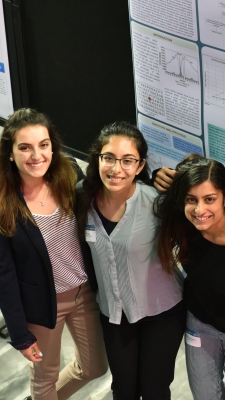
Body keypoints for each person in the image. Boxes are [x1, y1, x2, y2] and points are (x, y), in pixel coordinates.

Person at [0, 108, 108, 400]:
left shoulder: (69, 173)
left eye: (43, 145)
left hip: (84, 293)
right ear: (10, 153)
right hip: (43, 303)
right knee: (44, 378)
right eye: (25, 147)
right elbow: (4, 275)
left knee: (95, 367)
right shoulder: (4, 202)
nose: (37, 155)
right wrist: (19, 334)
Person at [76, 122, 185, 399]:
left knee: (154, 391)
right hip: (114, 314)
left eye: (128, 161)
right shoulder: (81, 199)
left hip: (162, 313)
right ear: (97, 158)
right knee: (123, 389)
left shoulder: (157, 203)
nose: (116, 169)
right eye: (109, 158)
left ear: (140, 166)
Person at [155, 155, 225, 400]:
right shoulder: (185, 227)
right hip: (200, 327)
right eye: (191, 200)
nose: (200, 210)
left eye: (209, 199)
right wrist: (154, 177)